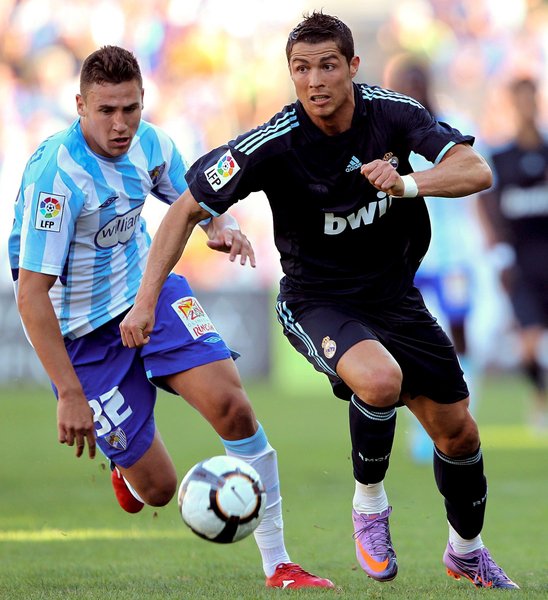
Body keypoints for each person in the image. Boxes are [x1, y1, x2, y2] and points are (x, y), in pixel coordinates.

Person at [120, 12, 519, 590]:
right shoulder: (272, 143)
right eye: (301, 69)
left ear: (352, 66)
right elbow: (185, 209)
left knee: (460, 435)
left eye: (327, 66)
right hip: (318, 300)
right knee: (379, 381)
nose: (314, 81)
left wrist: (408, 184)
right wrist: (145, 301)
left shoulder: (394, 113)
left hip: (395, 297)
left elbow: (474, 170)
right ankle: (369, 508)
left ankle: (466, 552)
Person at [8, 45, 333, 590]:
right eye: (106, 111)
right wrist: (68, 393)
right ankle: (126, 466)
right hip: (83, 336)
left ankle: (279, 564)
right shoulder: (56, 179)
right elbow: (31, 296)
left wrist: (219, 227)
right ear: (80, 106)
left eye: (130, 109)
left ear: (143, 100)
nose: (121, 124)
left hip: (149, 293)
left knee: (233, 408)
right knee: (158, 490)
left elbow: (194, 201)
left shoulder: (153, 144)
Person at [383, 54, 482, 462]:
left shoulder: (453, 127)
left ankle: (465, 410)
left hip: (453, 251)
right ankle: (421, 425)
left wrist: (490, 247)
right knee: (405, 336)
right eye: (402, 84)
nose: (410, 90)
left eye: (415, 82)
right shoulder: (386, 132)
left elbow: (479, 185)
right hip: (407, 252)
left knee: (458, 331)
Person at [478, 76, 548, 432]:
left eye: (529, 100)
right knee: (528, 347)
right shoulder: (501, 158)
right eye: (519, 100)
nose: (525, 107)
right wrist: (497, 248)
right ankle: (540, 396)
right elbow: (485, 203)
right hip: (522, 264)